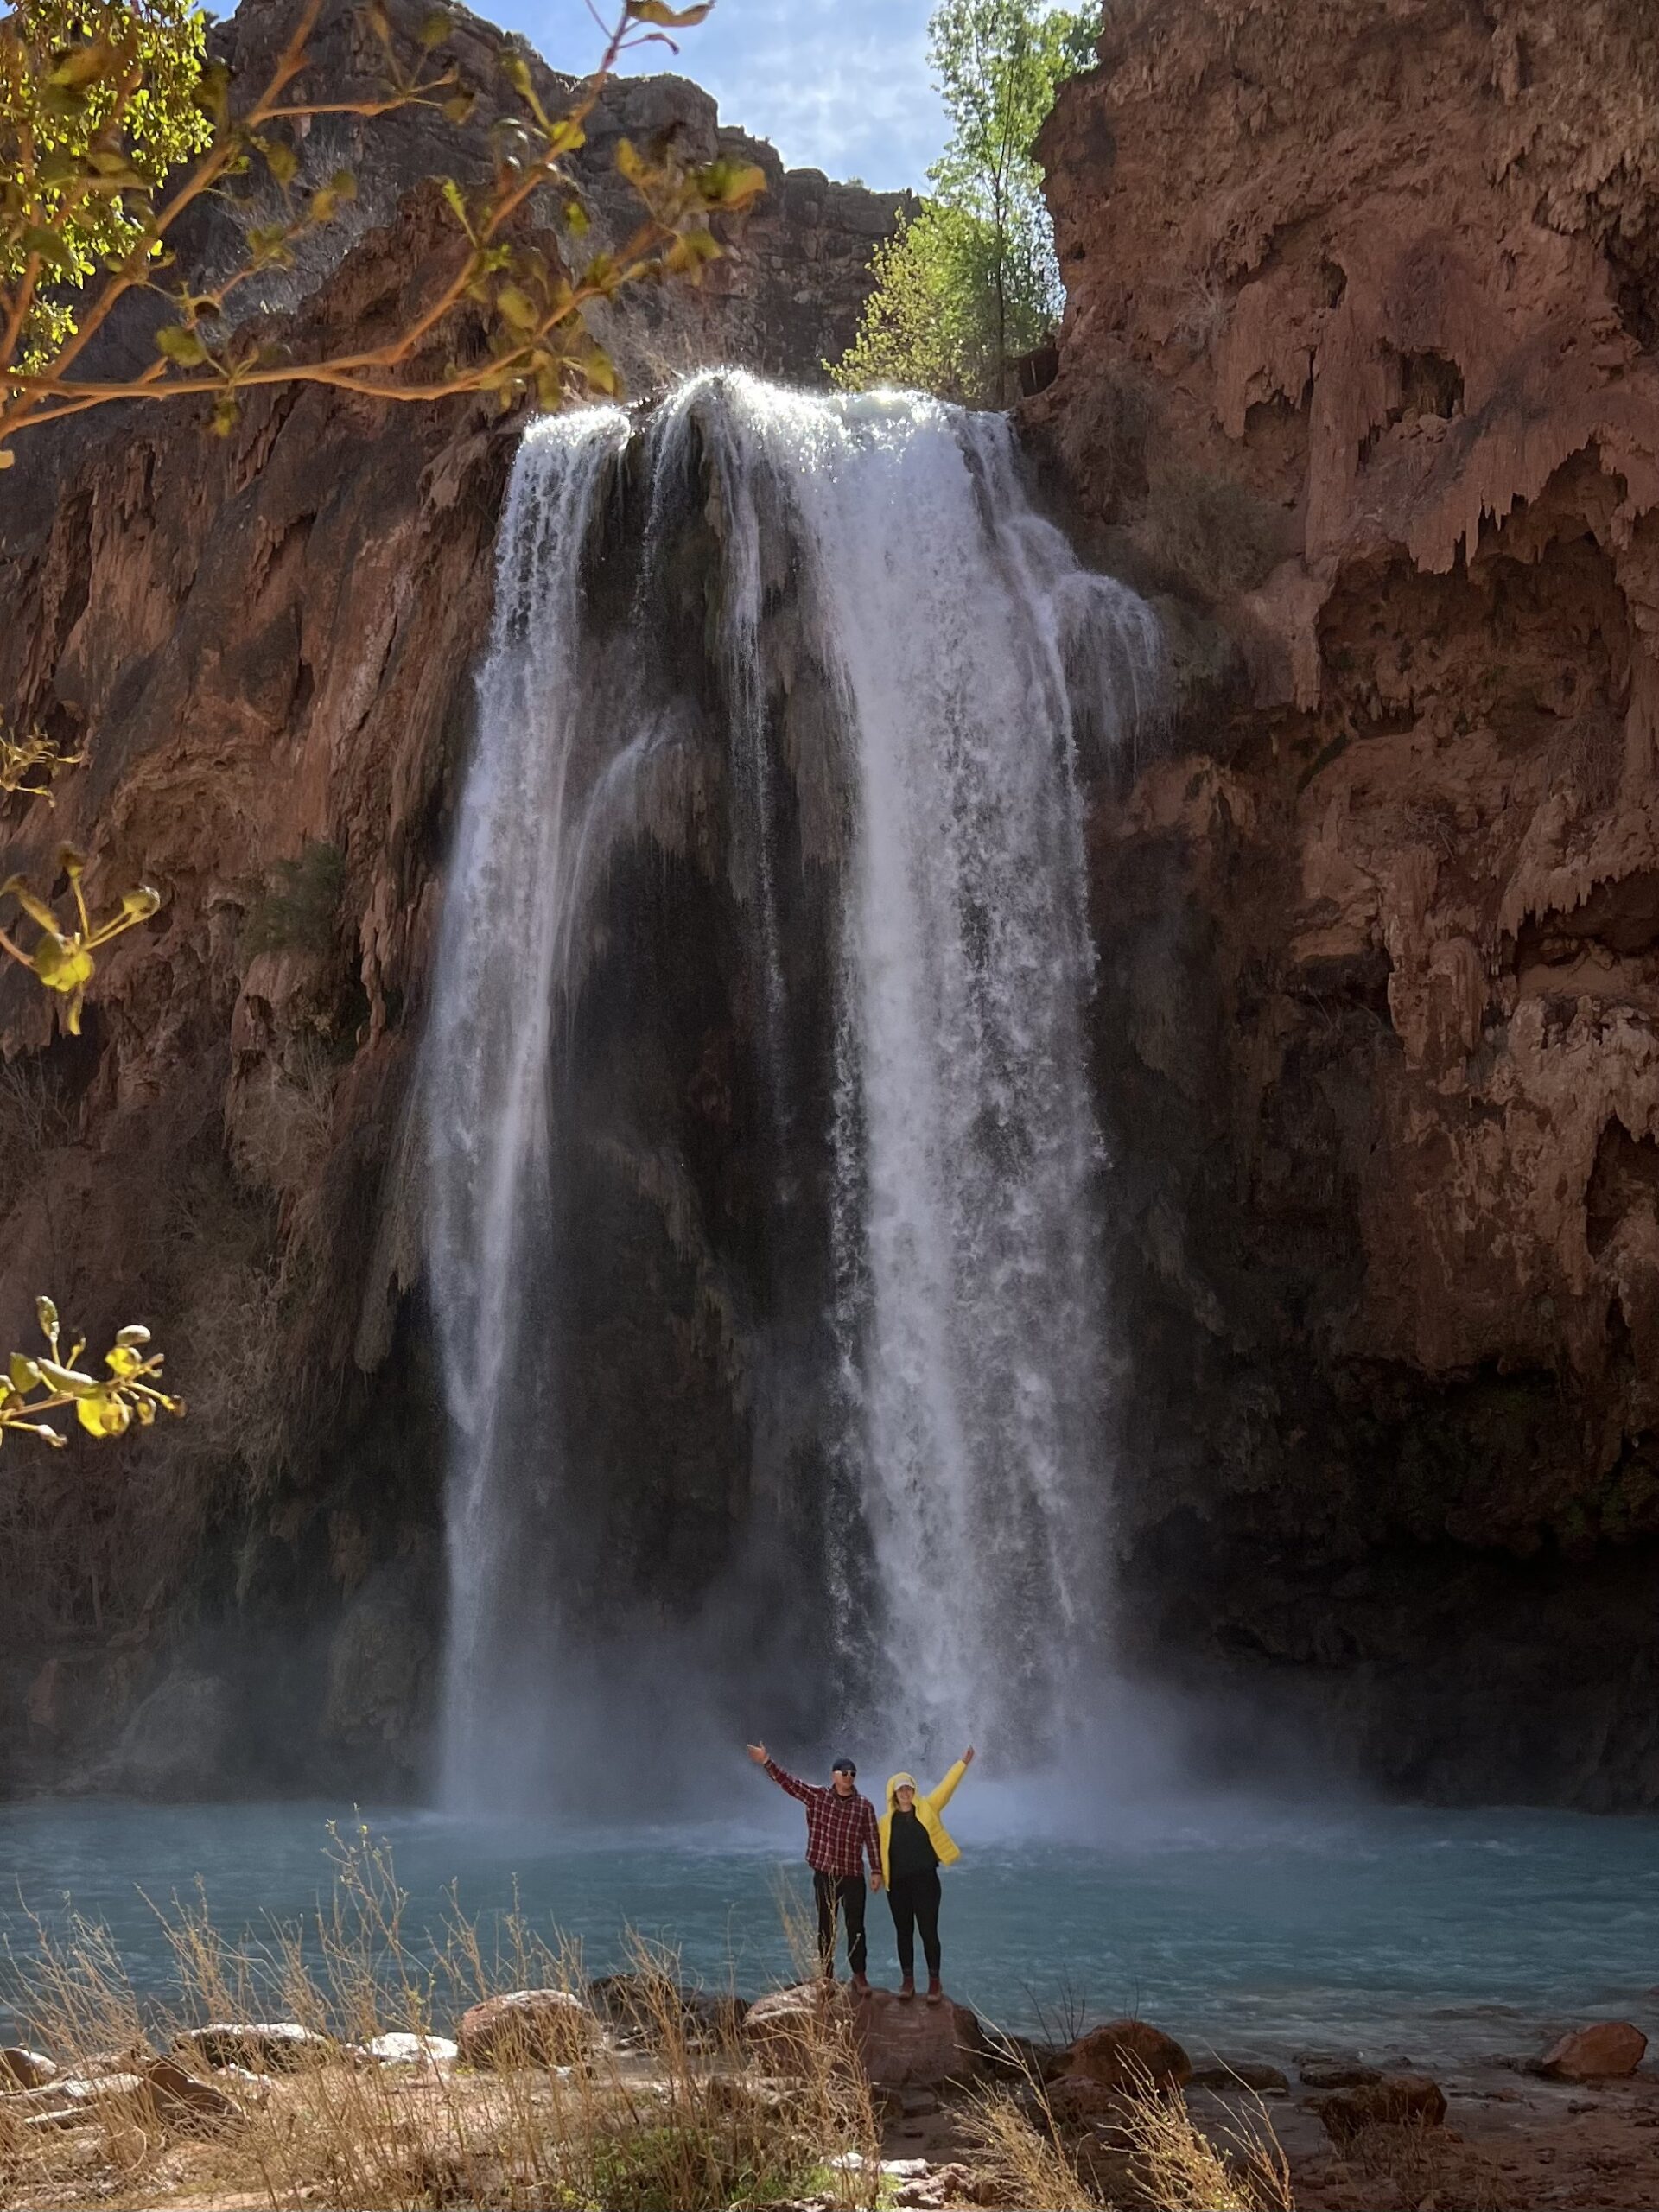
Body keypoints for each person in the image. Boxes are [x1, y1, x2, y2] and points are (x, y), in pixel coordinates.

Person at [747, 1740, 882, 1990]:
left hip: (853, 1874)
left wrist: (876, 1870)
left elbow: (872, 1839)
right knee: (825, 1925)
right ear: (834, 1775)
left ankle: (860, 1975)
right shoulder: (818, 1796)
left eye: (853, 1773)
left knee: (857, 1927)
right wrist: (767, 1761)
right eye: (844, 1772)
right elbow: (790, 1784)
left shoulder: (864, 1806)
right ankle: (827, 1973)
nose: (849, 1777)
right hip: (825, 1872)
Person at [879, 1746, 975, 2004]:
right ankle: (907, 1981)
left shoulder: (928, 1808)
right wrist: (876, 1874)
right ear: (894, 1793)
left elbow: (947, 1786)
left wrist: (962, 1763)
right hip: (897, 1886)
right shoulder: (884, 1822)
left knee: (928, 1931)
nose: (905, 1793)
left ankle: (934, 1982)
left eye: (909, 1788)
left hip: (926, 1882)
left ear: (914, 1790)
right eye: (900, 1789)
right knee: (903, 1932)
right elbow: (874, 1847)